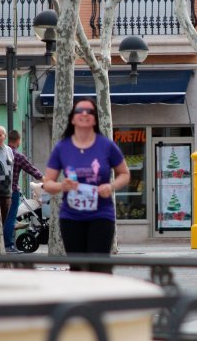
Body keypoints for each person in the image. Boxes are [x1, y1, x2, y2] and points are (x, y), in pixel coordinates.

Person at [43, 98, 130, 273]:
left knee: (99, 267)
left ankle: (100, 299)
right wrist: (62, 185)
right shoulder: (62, 147)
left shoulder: (106, 145)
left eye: (90, 111)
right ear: (72, 118)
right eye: (79, 110)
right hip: (71, 216)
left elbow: (125, 174)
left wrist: (111, 187)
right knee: (78, 268)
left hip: (101, 214)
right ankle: (80, 300)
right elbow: (48, 183)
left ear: (95, 119)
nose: (84, 114)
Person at [5, 130, 44, 254]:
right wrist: (46, 181)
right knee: (11, 219)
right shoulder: (18, 156)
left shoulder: (1, 153)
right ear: (18, 140)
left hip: (0, 192)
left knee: (4, 219)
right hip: (13, 191)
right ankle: (8, 245)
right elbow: (33, 170)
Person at [0, 126, 14, 239]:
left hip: (7, 193)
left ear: (4, 136)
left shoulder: (9, 150)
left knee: (2, 223)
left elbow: (11, 169)